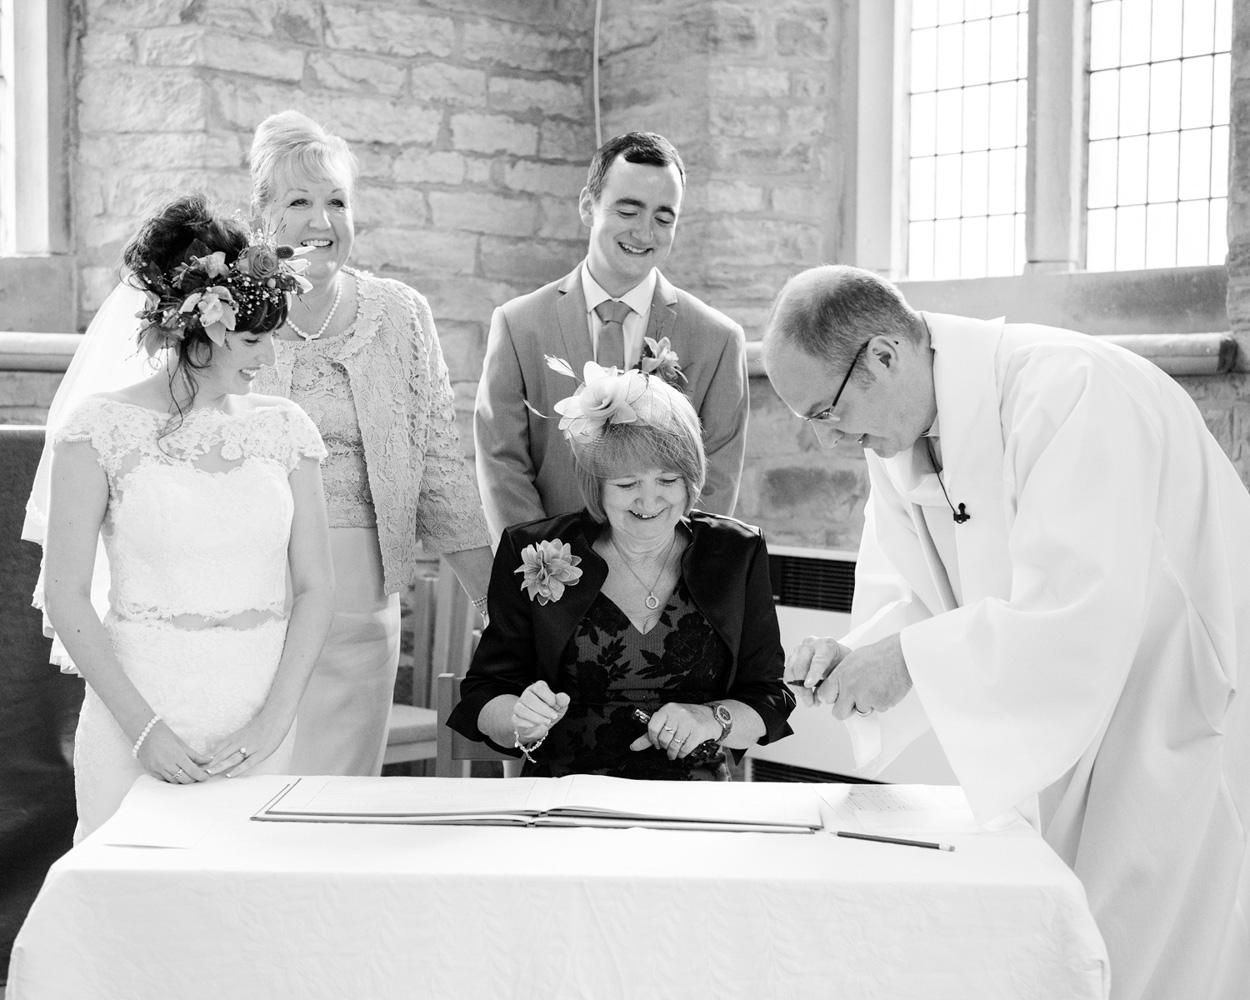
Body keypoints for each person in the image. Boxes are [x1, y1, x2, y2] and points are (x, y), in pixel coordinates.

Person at [763, 264, 1250, 1000]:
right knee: (1064, 943)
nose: (835, 439)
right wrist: (856, 659)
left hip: (1172, 709)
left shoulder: (1070, 389)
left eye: (826, 412)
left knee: (1146, 954)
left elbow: (1077, 610)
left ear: (886, 355)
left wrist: (908, 662)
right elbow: (916, 599)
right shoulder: (897, 442)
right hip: (1068, 736)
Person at [31, 194, 335, 840]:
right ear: (198, 327)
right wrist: (145, 732)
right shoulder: (99, 431)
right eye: (253, 340)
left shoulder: (286, 431)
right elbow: (65, 594)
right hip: (138, 713)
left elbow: (315, 588)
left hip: (257, 715)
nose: (268, 358)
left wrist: (275, 719)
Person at [248, 110, 494, 775]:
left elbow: (440, 469)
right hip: (250, 604)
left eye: (337, 202)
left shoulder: (401, 316)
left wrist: (497, 603)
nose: (321, 221)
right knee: (250, 794)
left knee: (336, 796)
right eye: (299, 201)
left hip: (361, 602)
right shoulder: (232, 312)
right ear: (263, 214)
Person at [449, 360, 793, 778]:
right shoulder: (533, 551)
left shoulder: (737, 552)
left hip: (691, 804)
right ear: (596, 484)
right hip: (566, 796)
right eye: (627, 485)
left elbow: (768, 697)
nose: (649, 503)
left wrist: (712, 719)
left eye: (668, 481)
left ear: (692, 478)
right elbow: (483, 696)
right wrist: (519, 717)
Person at [474, 131, 749, 543]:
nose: (645, 233)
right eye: (628, 211)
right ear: (589, 205)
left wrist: (659, 569)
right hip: (550, 581)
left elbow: (716, 479)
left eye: (663, 217)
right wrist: (545, 569)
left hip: (662, 590)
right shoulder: (518, 325)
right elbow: (502, 464)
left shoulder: (718, 339)